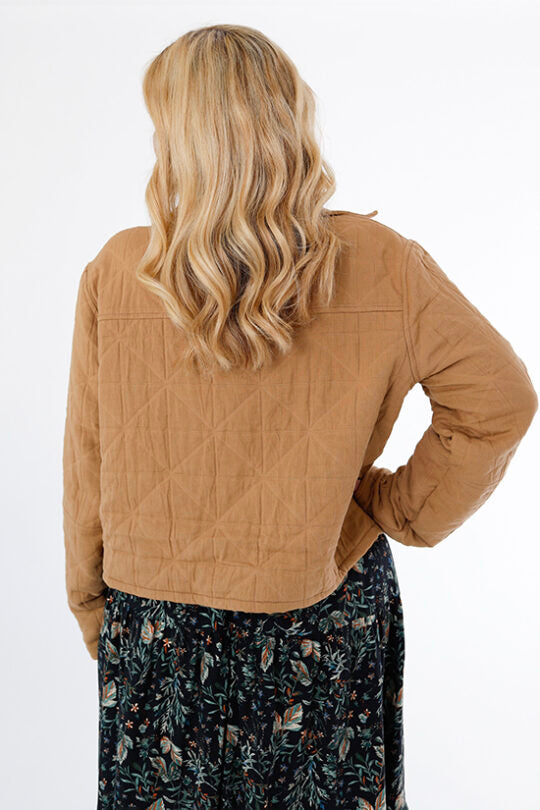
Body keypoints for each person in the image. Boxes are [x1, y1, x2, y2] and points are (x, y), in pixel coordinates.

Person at [62, 24, 538, 810]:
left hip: (157, 633)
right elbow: (500, 401)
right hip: (326, 619)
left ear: (179, 140)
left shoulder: (119, 272)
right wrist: (395, 510)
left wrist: (96, 613)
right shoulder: (382, 261)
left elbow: (90, 462)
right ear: (288, 121)